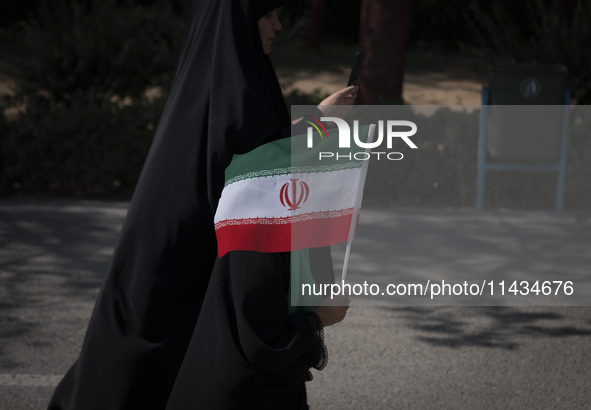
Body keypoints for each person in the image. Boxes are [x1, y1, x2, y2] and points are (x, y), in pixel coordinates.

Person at [48, 1, 357, 409]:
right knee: (138, 373)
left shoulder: (222, 80)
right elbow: (251, 167)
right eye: (269, 15)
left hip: (181, 256)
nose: (278, 25)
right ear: (241, 23)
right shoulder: (237, 91)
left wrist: (318, 118)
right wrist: (318, 122)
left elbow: (253, 148)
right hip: (180, 265)